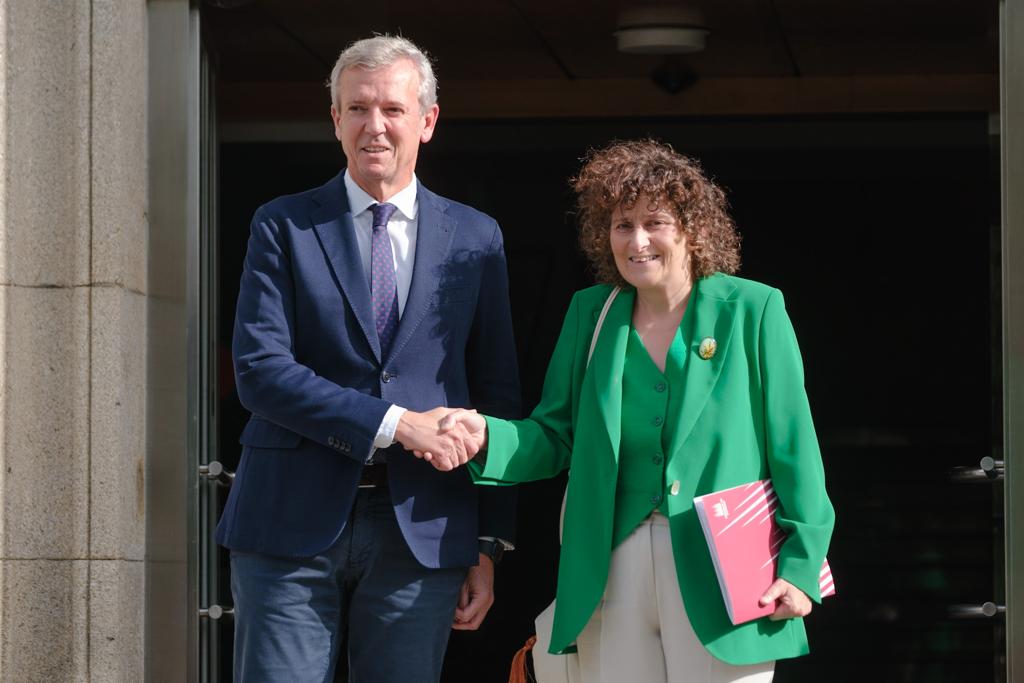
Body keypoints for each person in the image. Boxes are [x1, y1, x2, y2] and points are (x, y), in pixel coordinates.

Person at [433, 139, 835, 683]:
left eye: (655, 223)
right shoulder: (590, 313)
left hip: (724, 571)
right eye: (622, 225)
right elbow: (555, 435)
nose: (637, 240)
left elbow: (794, 449)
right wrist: (485, 437)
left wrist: (801, 567)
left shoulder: (753, 309)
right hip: (609, 566)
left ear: (692, 230)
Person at [215, 35, 520, 683]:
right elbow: (260, 372)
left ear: (427, 121)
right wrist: (395, 422)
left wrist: (489, 541)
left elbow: (496, 390)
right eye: (356, 108)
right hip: (288, 521)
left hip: (424, 526)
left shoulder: (475, 237)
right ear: (334, 119)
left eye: (392, 109)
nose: (373, 126)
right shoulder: (283, 224)